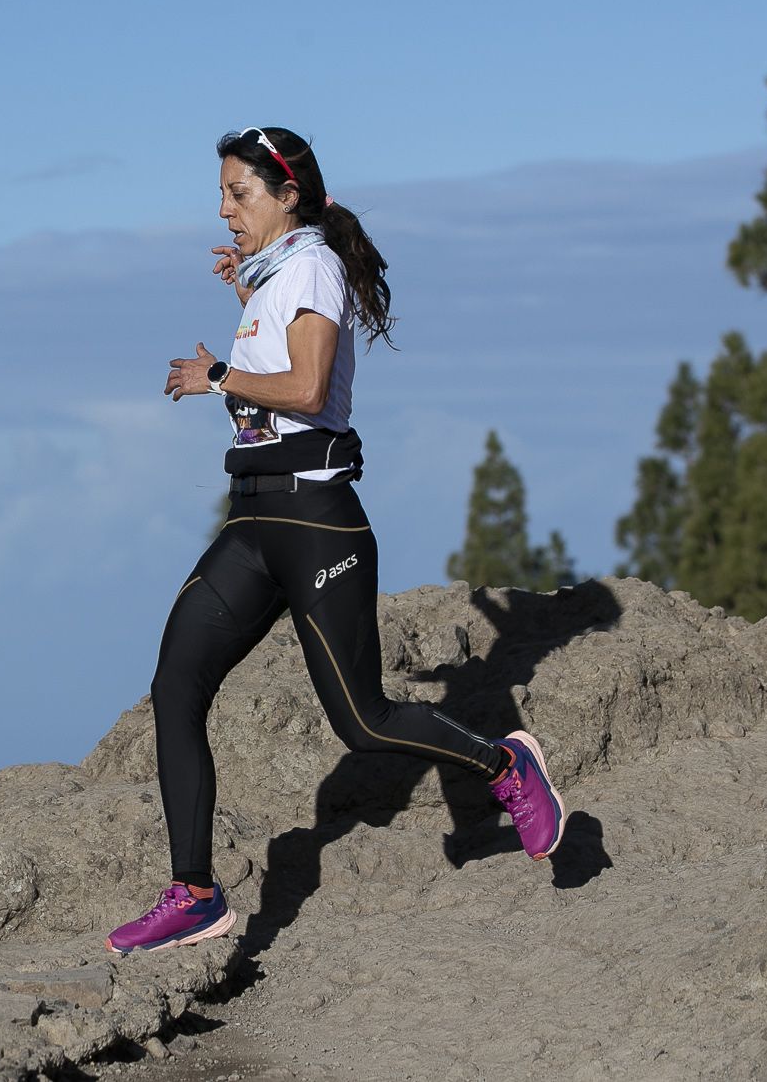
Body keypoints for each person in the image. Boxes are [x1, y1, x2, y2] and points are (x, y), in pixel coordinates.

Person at [105, 127, 568, 955]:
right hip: (251, 522)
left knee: (362, 719)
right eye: (220, 194)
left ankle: (506, 767)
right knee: (176, 684)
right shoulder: (279, 275)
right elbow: (270, 388)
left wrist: (217, 374)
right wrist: (244, 304)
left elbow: (309, 388)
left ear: (287, 196)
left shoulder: (313, 264)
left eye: (238, 194)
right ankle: (195, 893)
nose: (223, 208)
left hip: (317, 523)